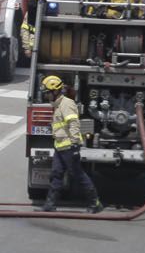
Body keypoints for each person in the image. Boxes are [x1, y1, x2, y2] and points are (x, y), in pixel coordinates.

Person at [40, 75, 104, 214]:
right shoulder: (57, 105)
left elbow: (73, 124)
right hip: (60, 146)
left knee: (78, 175)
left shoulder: (66, 104)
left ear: (55, 91)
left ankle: (95, 203)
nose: (46, 96)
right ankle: (50, 204)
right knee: (56, 174)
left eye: (47, 93)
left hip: (69, 147)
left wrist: (75, 144)